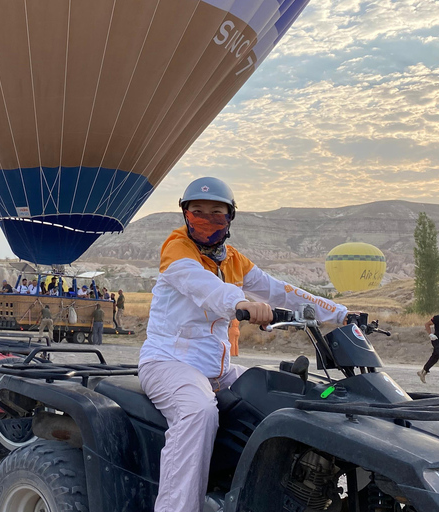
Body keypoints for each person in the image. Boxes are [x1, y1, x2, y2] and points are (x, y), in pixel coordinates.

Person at [138, 177, 350, 512]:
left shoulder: (234, 259)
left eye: (216, 214)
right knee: (198, 411)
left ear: (230, 218)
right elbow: (204, 287)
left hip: (217, 369)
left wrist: (341, 314)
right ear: (185, 215)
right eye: (198, 213)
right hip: (168, 363)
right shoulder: (177, 249)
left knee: (282, 393)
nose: (207, 220)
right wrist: (242, 304)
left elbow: (278, 289)